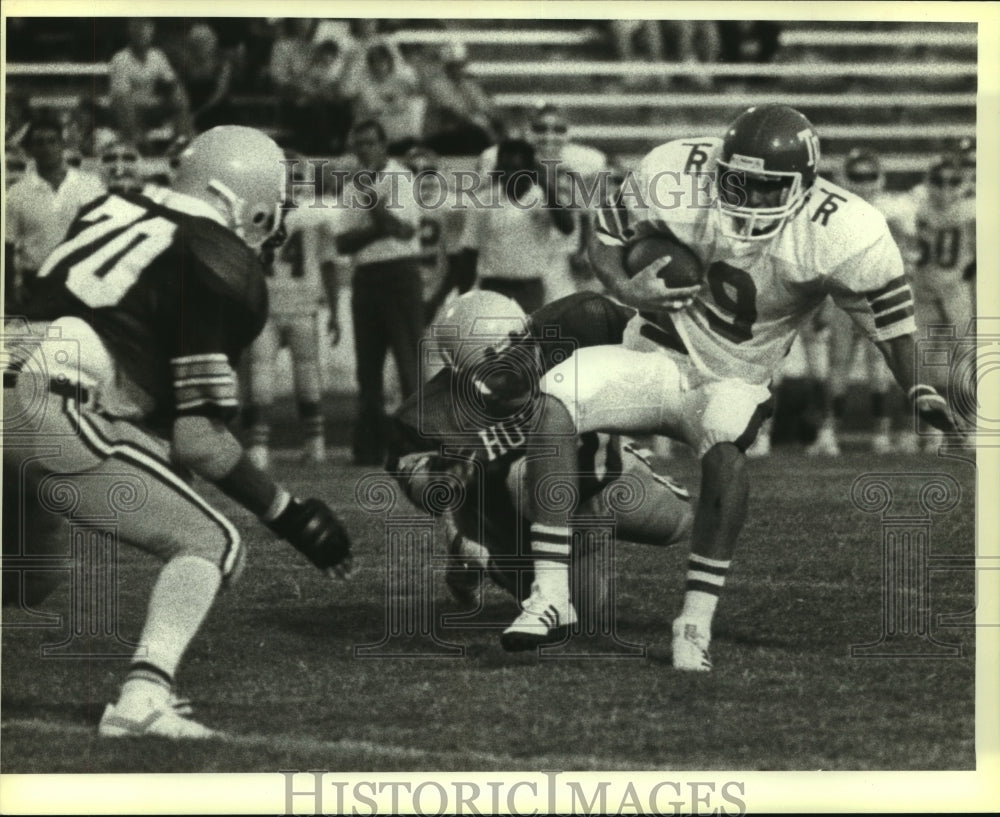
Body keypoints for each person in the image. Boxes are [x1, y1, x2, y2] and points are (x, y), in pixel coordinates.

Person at [526, 104, 956, 671]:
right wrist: (627, 289)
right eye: (738, 181)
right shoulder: (677, 170)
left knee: (726, 447)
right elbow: (604, 239)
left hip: (732, 376)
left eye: (765, 186)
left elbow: (894, 328)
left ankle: (694, 623)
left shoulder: (847, 228)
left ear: (802, 186)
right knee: (555, 399)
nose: (747, 197)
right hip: (651, 354)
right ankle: (550, 595)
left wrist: (920, 390)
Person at [2, 125, 353, 738]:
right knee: (210, 543)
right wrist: (289, 514)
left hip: (21, 368)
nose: (276, 222)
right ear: (245, 198)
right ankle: (143, 700)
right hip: (38, 405)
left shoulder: (105, 206)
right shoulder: (219, 260)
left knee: (27, 577)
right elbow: (199, 440)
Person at [386, 290, 693, 643]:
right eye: (498, 367)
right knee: (583, 610)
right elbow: (422, 483)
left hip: (591, 475)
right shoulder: (430, 416)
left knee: (678, 523)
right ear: (464, 375)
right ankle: (471, 551)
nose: (521, 369)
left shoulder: (583, 319)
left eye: (523, 348)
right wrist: (444, 479)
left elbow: (660, 339)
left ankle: (611, 469)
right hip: (508, 518)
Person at [798, 149, 919, 456]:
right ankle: (829, 432)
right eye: (857, 176)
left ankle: (881, 432)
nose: (863, 183)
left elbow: (907, 258)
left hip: (879, 299)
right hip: (843, 297)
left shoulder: (893, 212)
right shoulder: (833, 214)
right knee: (838, 365)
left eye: (868, 176)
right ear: (844, 178)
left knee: (879, 367)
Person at [336, 119, 423, 465]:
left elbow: (403, 231)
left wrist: (371, 203)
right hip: (367, 275)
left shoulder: (400, 178)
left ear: (384, 145)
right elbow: (343, 242)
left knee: (408, 364)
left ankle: (417, 442)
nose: (364, 151)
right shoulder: (352, 185)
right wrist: (378, 224)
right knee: (367, 368)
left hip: (399, 271)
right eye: (359, 145)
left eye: (370, 143)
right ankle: (370, 445)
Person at [245, 169, 344, 469]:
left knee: (265, 377)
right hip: (296, 305)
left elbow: (245, 266)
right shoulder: (316, 214)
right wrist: (336, 312)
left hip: (276, 306)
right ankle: (314, 447)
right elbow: (329, 266)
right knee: (304, 378)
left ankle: (260, 450)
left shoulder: (256, 214)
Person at [456, 138, 575, 314]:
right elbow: (470, 251)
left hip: (531, 287)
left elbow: (567, 227)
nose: (509, 175)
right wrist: (462, 299)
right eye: (505, 168)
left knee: (527, 339)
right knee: (493, 339)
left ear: (529, 170)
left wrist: (544, 183)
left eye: (516, 169)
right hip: (493, 286)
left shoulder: (544, 198)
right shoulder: (484, 201)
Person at [4, 113, 106, 311]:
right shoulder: (17, 193)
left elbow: (103, 236)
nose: (46, 148)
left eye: (52, 141)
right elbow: (7, 246)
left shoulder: (90, 185)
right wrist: (10, 290)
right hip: (36, 283)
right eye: (39, 143)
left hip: (81, 282)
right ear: (31, 150)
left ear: (62, 145)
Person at [108, 18, 194, 150]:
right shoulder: (120, 59)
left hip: (150, 106)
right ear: (131, 34)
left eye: (145, 32)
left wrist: (179, 95)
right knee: (124, 104)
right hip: (128, 107)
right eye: (138, 32)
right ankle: (137, 143)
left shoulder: (157, 55)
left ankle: (182, 142)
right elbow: (122, 95)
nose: (142, 35)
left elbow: (171, 81)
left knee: (178, 96)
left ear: (151, 34)